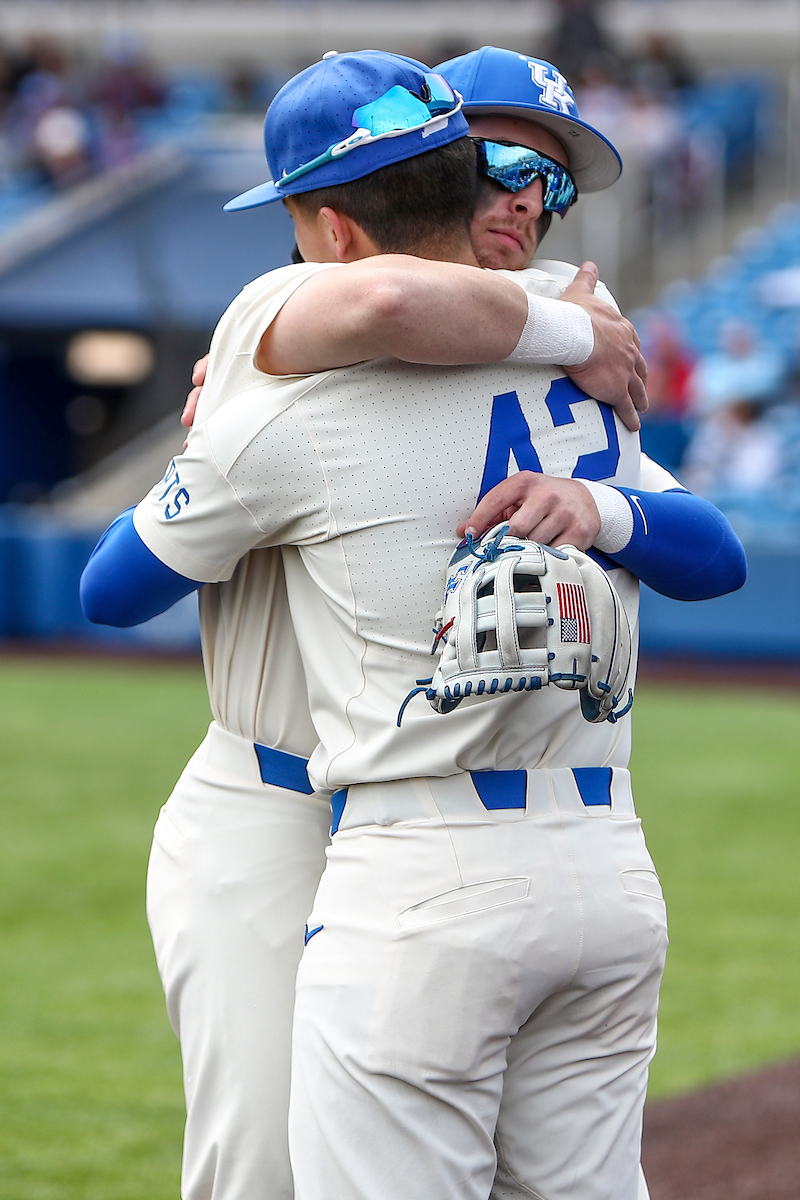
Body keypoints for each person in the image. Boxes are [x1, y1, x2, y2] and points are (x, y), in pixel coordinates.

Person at [82, 49, 745, 1200]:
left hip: (433, 824)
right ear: (427, 165)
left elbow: (711, 552)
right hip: (280, 795)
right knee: (264, 1170)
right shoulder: (302, 325)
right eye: (491, 164)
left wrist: (599, 500)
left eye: (554, 182)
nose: (524, 201)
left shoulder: (560, 324)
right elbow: (384, 296)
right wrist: (568, 334)